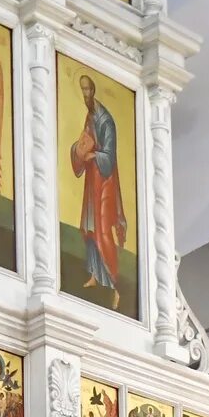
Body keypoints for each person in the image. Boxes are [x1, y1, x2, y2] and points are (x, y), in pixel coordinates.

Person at [70, 76, 126, 310]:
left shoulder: (106, 121)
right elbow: (86, 141)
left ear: (93, 90)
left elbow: (109, 156)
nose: (84, 94)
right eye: (81, 89)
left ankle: (115, 286)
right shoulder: (90, 116)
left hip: (104, 182)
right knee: (90, 227)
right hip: (92, 180)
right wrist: (78, 149)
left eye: (87, 89)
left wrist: (93, 156)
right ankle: (95, 273)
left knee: (103, 231)